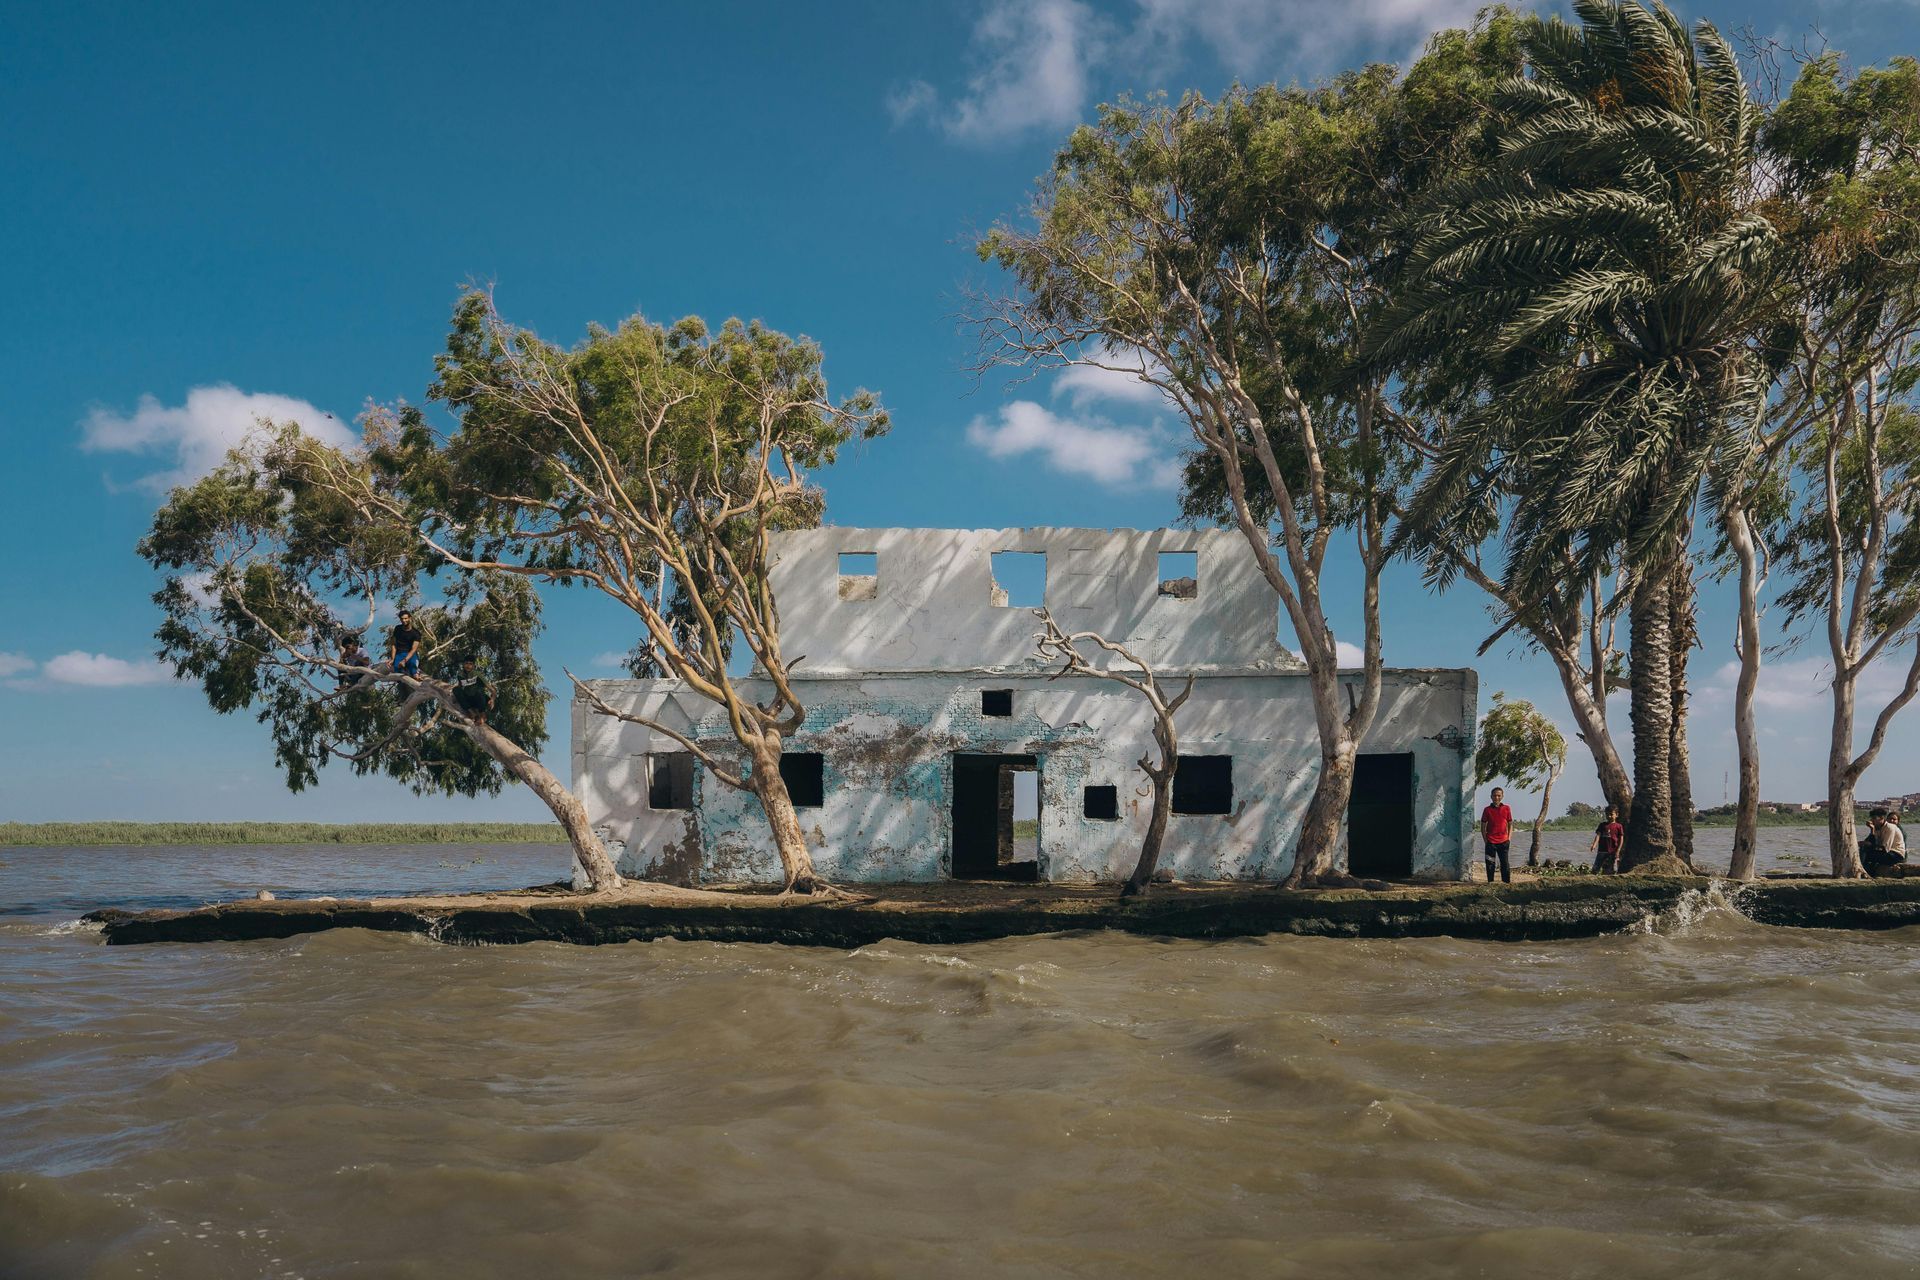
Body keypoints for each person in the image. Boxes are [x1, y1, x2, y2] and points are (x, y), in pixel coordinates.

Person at [1480, 787, 1514, 885]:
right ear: (1491, 797)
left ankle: (1506, 883)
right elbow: (1483, 826)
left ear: (1502, 796)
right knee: (1490, 864)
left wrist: (1509, 838)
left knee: (1505, 863)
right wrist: (1486, 840)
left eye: (1499, 795)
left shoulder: (1506, 808)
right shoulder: (1487, 810)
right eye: (1495, 795)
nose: (1497, 797)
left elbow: (1510, 824)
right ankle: (1490, 882)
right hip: (1491, 842)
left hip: (1504, 841)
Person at [1862, 808, 1906, 876]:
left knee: (1868, 855)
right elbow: (1873, 842)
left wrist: (1869, 845)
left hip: (1896, 854)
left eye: (1874, 818)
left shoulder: (1890, 827)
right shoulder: (1877, 827)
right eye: (1872, 818)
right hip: (1887, 853)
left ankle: (1867, 872)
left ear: (1882, 818)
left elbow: (1885, 848)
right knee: (1864, 851)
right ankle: (1867, 872)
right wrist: (1872, 829)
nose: (1872, 821)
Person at [453, 657, 494, 726]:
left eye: (470, 664)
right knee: (455, 689)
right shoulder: (460, 675)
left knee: (479, 690)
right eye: (466, 663)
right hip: (469, 699)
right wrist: (456, 696)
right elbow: (460, 686)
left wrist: (492, 699)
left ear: (473, 666)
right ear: (463, 664)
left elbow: (492, 690)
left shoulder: (477, 674)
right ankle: (473, 714)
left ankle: (482, 715)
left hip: (479, 698)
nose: (468, 666)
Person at [1588, 804, 1625, 874]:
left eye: (1611, 814)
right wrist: (1594, 845)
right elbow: (1598, 835)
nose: (1609, 816)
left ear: (1616, 815)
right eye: (1607, 814)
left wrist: (1618, 850)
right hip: (1602, 850)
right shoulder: (1602, 825)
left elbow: (1621, 839)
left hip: (1613, 851)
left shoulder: (1619, 826)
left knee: (1614, 868)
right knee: (1596, 867)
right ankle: (1593, 877)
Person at [387, 610, 422, 677]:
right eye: (402, 619)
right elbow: (394, 644)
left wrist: (404, 661)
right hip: (399, 653)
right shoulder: (397, 629)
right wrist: (392, 659)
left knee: (413, 667)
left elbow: (413, 649)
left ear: (409, 618)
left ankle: (416, 674)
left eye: (405, 618)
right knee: (397, 671)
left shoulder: (416, 633)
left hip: (411, 654)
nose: (403, 620)